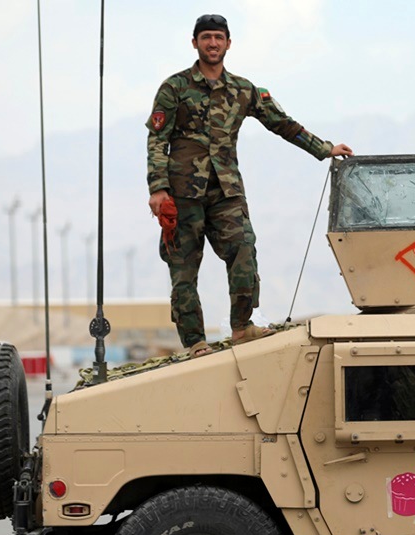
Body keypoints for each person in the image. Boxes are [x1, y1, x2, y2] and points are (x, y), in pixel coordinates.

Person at [146, 13, 353, 356]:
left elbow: (281, 123)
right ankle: (195, 342)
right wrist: (158, 188)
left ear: (228, 43)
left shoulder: (243, 90)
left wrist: (324, 148)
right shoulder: (175, 88)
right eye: (206, 37)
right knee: (183, 270)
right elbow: (157, 140)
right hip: (183, 195)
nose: (212, 43)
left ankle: (242, 326)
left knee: (244, 249)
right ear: (194, 43)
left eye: (218, 37)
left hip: (226, 192)